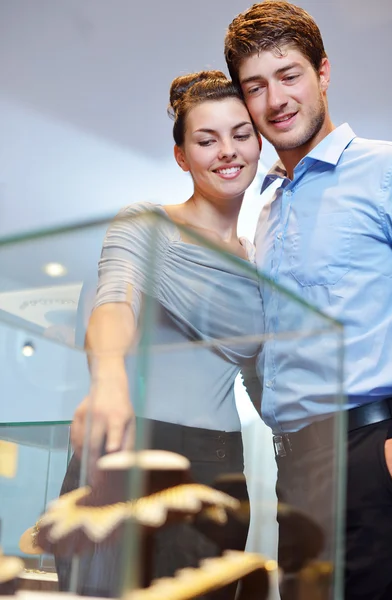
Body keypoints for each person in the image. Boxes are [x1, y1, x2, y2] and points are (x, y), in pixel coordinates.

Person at [58, 70, 263, 597]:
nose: (227, 151)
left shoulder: (266, 262)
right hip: (128, 445)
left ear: (259, 140)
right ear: (181, 155)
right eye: (206, 139)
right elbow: (115, 300)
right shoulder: (147, 224)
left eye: (241, 134)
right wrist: (107, 381)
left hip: (222, 463)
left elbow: (270, 380)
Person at [224, 2, 392, 599]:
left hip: (374, 455)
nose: (275, 99)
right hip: (292, 471)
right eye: (256, 86)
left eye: (289, 75)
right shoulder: (265, 209)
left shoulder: (388, 169)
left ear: (323, 73)